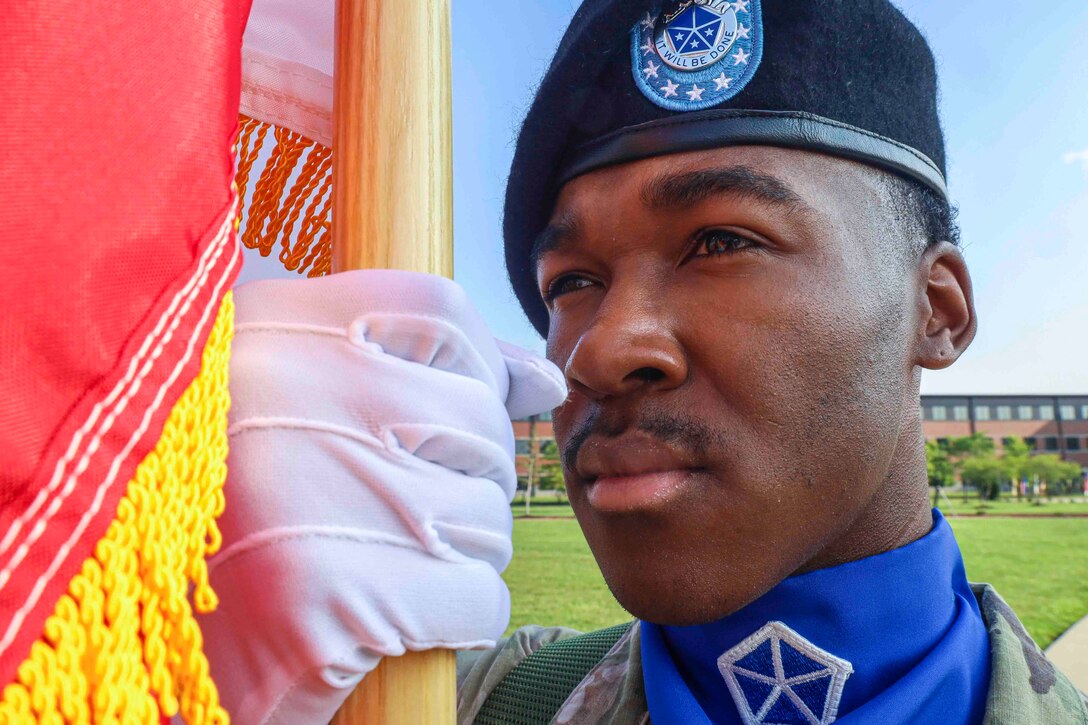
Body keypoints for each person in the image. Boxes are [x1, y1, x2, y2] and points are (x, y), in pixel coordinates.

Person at [199, 1, 1088, 723]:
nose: (602, 348)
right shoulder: (442, 703)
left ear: (937, 309)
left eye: (721, 241)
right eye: (572, 280)